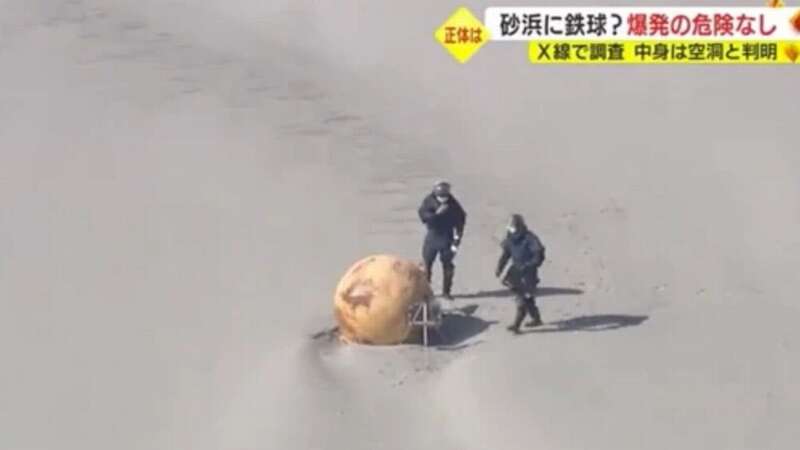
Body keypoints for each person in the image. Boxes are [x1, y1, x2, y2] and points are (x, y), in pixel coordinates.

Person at [495, 214, 545, 333]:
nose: (511, 228)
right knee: (525, 299)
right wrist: (499, 267)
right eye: (510, 226)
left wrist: (529, 265)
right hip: (515, 272)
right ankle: (536, 318)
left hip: (528, 275)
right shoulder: (510, 238)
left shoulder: (530, 238)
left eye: (513, 226)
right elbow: (506, 254)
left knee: (523, 300)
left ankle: (516, 325)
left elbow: (539, 255)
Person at [417, 180, 467, 300]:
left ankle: (446, 292)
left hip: (447, 238)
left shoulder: (453, 204)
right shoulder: (429, 201)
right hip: (432, 238)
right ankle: (426, 292)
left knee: (448, 266)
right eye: (440, 196)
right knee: (427, 265)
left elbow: (461, 222)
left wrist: (456, 242)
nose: (443, 199)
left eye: (445, 196)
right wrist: (436, 214)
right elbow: (423, 216)